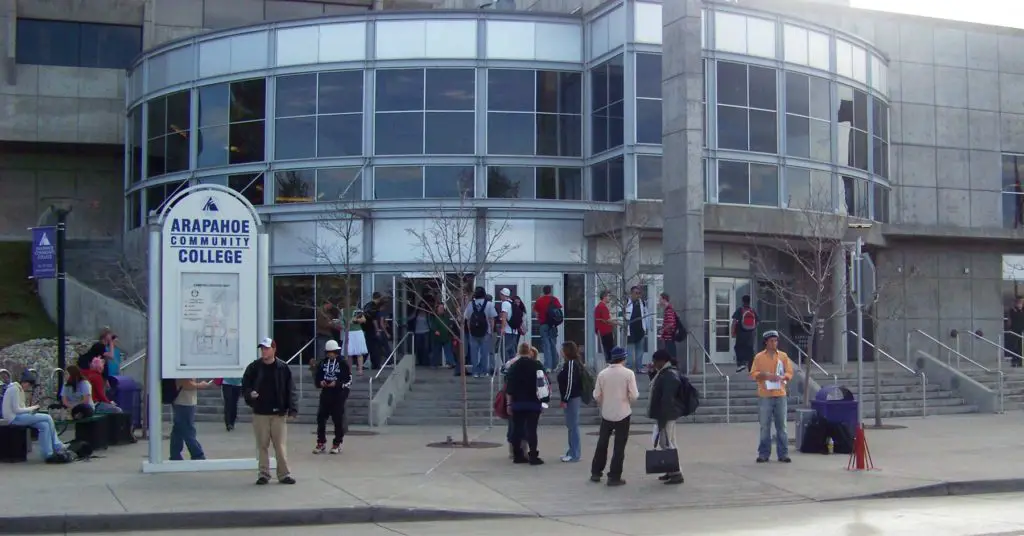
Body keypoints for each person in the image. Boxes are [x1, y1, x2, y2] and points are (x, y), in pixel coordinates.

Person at [242, 338, 299, 485]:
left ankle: (284, 474)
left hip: (278, 413)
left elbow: (291, 389)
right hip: (260, 412)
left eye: (267, 348)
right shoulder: (254, 367)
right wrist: (250, 394)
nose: (264, 351)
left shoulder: (283, 367)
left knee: (279, 445)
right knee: (262, 445)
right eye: (262, 349)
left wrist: (292, 409)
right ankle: (264, 473)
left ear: (274, 349)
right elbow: (246, 385)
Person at [590, 347, 638, 487]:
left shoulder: (603, 374)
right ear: (624, 358)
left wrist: (604, 401)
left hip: (607, 412)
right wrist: (627, 399)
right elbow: (634, 395)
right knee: (619, 446)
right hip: (623, 413)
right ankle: (614, 476)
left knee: (602, 443)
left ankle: (596, 472)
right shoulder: (628, 373)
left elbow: (596, 395)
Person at [1, 370, 66, 461]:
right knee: (47, 417)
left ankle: (48, 453)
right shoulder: (14, 389)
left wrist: (30, 411)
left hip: (18, 416)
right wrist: (32, 408)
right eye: (29, 384)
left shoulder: (18, 389)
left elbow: (20, 408)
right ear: (24, 382)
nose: (29, 387)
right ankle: (57, 445)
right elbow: (16, 410)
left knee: (44, 425)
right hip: (14, 418)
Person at [750, 331, 793, 464]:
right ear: (766, 342)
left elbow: (789, 372)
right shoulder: (759, 357)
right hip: (765, 395)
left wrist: (783, 377)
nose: (774, 343)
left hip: (780, 394)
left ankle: (783, 454)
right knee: (765, 426)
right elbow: (753, 373)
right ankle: (763, 454)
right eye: (772, 341)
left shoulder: (783, 356)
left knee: (782, 426)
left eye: (776, 341)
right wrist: (765, 375)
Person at [505, 343, 548, 465]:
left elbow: (509, 387)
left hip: (518, 402)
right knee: (532, 429)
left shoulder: (514, 367)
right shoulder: (536, 365)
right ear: (529, 351)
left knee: (517, 429)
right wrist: (543, 402)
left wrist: (509, 404)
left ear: (518, 351)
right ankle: (533, 455)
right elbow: (544, 383)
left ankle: (517, 455)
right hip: (533, 402)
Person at [647, 349, 685, 485]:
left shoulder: (669, 375)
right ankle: (671, 469)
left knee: (666, 442)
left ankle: (676, 472)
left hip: (666, 414)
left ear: (662, 361)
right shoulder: (664, 373)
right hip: (667, 413)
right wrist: (652, 373)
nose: (654, 364)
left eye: (655, 361)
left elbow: (667, 398)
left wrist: (662, 418)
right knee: (669, 441)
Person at [313, 340, 352, 455]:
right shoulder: (323, 363)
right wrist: (321, 383)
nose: (330, 354)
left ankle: (337, 443)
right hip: (326, 393)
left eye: (332, 352)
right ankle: (321, 442)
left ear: (336, 352)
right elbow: (317, 378)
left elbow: (348, 380)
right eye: (328, 352)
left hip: (339, 394)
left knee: (337, 419)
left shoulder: (343, 363)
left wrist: (337, 384)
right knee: (321, 418)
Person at [169, 376, 210, 461]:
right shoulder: (182, 366)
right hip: (184, 401)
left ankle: (175, 454)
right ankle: (197, 454)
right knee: (188, 429)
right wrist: (200, 385)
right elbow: (186, 384)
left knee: (178, 429)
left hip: (183, 400)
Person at [556, 341, 583, 463]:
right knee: (571, 425)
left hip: (572, 398)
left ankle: (574, 453)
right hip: (570, 397)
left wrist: (565, 399)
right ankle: (571, 451)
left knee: (573, 425)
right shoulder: (567, 364)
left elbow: (570, 383)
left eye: (562, 349)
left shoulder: (571, 364)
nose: (561, 352)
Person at [463, 287, 497, 378]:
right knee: (485, 353)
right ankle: (484, 371)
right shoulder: (489, 304)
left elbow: (467, 319)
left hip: (473, 332)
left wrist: (470, 330)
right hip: (486, 331)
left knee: (474, 353)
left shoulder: (470, 304)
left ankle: (475, 372)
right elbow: (491, 319)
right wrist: (491, 330)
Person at [533, 285, 563, 371]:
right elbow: (558, 311)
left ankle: (548, 366)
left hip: (543, 325)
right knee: (553, 345)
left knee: (546, 346)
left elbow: (536, 313)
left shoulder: (539, 300)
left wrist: (539, 319)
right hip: (553, 325)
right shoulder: (554, 299)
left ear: (543, 291)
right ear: (550, 291)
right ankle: (555, 365)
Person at [624, 286, 649, 374]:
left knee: (640, 350)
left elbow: (646, 315)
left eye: (639, 293)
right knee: (630, 351)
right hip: (630, 330)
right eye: (636, 293)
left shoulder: (642, 303)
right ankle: (629, 368)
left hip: (640, 329)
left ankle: (639, 367)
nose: (638, 295)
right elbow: (621, 314)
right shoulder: (627, 302)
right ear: (631, 294)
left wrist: (646, 327)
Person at [732, 295, 759, 373]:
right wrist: (753, 330)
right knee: (750, 350)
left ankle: (741, 364)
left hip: (741, 333)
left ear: (743, 301)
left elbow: (734, 321)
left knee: (738, 348)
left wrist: (732, 332)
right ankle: (752, 367)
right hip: (750, 334)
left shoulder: (740, 310)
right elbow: (757, 322)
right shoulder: (752, 310)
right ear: (749, 301)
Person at [658, 293, 685, 362]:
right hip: (668, 337)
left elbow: (671, 323)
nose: (659, 301)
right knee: (669, 356)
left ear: (664, 300)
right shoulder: (668, 309)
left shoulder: (668, 310)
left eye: (660, 299)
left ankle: (673, 370)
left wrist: (663, 330)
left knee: (670, 356)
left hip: (669, 337)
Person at [362, 292, 386, 370]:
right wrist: (377, 330)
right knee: (375, 347)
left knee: (370, 347)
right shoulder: (374, 307)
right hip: (372, 329)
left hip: (367, 328)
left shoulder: (367, 305)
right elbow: (374, 319)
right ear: (378, 298)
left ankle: (372, 363)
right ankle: (375, 364)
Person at [429, 303, 456, 369]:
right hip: (437, 337)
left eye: (442, 308)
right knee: (436, 351)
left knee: (448, 351)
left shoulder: (446, 316)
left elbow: (450, 323)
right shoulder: (434, 316)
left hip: (446, 336)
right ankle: (434, 364)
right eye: (440, 308)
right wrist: (435, 330)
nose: (441, 309)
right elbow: (432, 325)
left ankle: (451, 363)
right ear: (437, 309)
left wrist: (451, 327)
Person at [346, 309, 369, 375]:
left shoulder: (357, 310)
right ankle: (349, 371)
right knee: (349, 353)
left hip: (357, 332)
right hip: (349, 333)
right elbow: (344, 322)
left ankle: (360, 370)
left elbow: (364, 320)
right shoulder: (342, 310)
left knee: (359, 352)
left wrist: (356, 320)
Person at [595, 290, 616, 360]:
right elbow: (607, 320)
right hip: (606, 332)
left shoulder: (600, 306)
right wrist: (617, 321)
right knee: (610, 351)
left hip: (603, 331)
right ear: (604, 297)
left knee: (607, 350)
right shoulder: (602, 307)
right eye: (608, 296)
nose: (609, 298)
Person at [497, 288, 518, 363]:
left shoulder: (505, 303)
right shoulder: (512, 302)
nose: (500, 296)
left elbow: (504, 317)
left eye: (500, 294)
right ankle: (514, 367)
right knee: (512, 351)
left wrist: (503, 328)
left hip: (508, 331)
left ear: (503, 295)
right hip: (514, 331)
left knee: (504, 350)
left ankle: (506, 366)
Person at [1005, 296, 1024, 367]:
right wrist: (1009, 328)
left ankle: (1020, 361)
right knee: (1014, 346)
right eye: (1020, 301)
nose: (1021, 303)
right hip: (1015, 330)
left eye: (1022, 301)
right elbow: (1009, 320)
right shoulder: (1012, 310)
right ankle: (1014, 361)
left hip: (1022, 330)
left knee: (1021, 347)